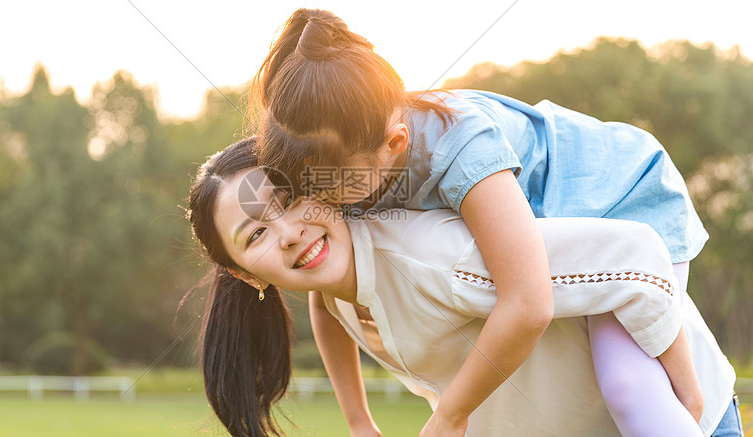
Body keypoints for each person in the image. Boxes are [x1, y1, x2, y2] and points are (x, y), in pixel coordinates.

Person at [251, 8, 724, 436]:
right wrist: (358, 421)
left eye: (331, 190)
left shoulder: (460, 147)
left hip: (620, 195)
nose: (320, 204)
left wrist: (451, 414)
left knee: (627, 383)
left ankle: (691, 393)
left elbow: (528, 302)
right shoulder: (349, 159)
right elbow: (329, 296)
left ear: (395, 144)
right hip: (576, 230)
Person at [185, 138, 740, 437]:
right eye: (256, 233)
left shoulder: (435, 257)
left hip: (675, 420)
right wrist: (359, 421)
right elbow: (326, 308)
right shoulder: (334, 282)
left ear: (319, 182)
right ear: (244, 274)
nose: (287, 235)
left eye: (287, 202)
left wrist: (687, 392)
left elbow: (636, 253)